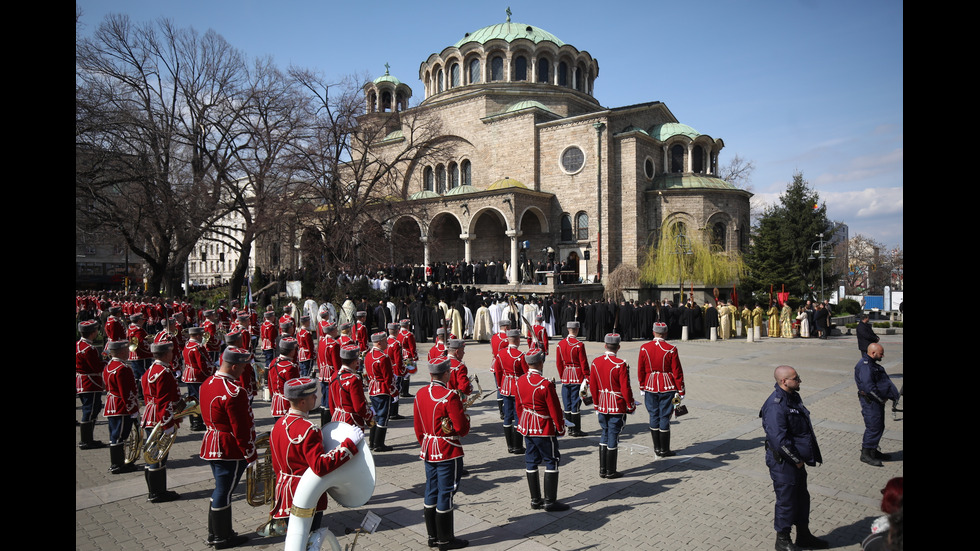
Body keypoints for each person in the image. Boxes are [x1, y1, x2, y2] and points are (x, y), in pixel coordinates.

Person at [264, 377, 363, 537]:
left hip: (284, 491)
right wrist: (349, 444)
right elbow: (320, 466)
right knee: (309, 538)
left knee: (295, 538)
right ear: (302, 402)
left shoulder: (278, 424)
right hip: (305, 492)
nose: (316, 398)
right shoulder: (309, 430)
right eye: (312, 396)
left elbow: (276, 464)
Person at [760, 365, 828, 551]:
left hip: (796, 461)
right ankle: (782, 541)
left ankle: (803, 536)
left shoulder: (792, 397)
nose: (799, 381)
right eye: (796, 378)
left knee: (801, 499)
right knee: (786, 501)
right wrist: (797, 459)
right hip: (784, 462)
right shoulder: (776, 405)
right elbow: (779, 440)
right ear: (784, 381)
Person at [200, 346, 257, 549]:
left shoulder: (207, 383)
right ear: (233, 366)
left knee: (221, 489)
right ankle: (222, 537)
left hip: (211, 442)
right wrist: (250, 454)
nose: (243, 371)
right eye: (242, 367)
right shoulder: (234, 391)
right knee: (224, 491)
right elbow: (241, 428)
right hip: (228, 447)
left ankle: (216, 532)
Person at [414, 357, 470, 550]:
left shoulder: (420, 393)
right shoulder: (449, 396)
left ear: (431, 374)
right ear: (446, 373)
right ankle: (445, 540)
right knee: (446, 493)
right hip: (447, 450)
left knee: (431, 490)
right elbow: (461, 428)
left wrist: (426, 443)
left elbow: (418, 427)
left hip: (428, 448)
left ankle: (432, 536)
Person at [515, 350, 569, 511]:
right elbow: (555, 409)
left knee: (531, 461)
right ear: (540, 363)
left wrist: (523, 423)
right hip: (542, 426)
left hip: (527, 426)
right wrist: (560, 427)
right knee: (551, 460)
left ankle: (535, 500)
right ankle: (550, 502)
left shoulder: (519, 381)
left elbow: (518, 407)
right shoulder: (545, 384)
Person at [589, 333, 635, 479]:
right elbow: (625, 388)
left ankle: (602, 469)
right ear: (618, 347)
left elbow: (593, 386)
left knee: (604, 433)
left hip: (602, 403)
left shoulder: (596, 362)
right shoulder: (620, 364)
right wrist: (631, 405)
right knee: (613, 435)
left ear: (605, 345)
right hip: (616, 404)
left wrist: (596, 404)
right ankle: (610, 471)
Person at [140, 341, 182, 503]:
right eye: (171, 352)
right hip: (159, 417)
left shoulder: (150, 370)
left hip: (150, 414)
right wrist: (168, 425)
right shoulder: (163, 372)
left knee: (153, 454)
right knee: (159, 456)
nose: (172, 354)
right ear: (166, 354)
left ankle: (155, 490)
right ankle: (157, 493)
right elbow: (164, 401)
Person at [637, 322, 685, 458]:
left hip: (650, 384)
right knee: (664, 416)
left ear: (653, 332)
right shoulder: (671, 348)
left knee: (653, 415)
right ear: (666, 333)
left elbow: (640, 369)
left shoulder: (644, 348)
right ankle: (664, 449)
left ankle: (657, 448)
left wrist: (642, 385)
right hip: (667, 385)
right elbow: (677, 371)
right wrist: (681, 390)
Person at [854, 343, 900, 467]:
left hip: (875, 401)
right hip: (871, 402)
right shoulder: (865, 366)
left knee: (879, 426)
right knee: (873, 427)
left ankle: (873, 451)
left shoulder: (871, 364)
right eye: (881, 354)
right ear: (873, 353)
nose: (883, 356)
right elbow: (869, 387)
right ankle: (866, 454)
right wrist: (880, 399)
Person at [104, 339, 140, 474]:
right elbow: (127, 392)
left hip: (112, 404)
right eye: (126, 350)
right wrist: (133, 409)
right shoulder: (122, 368)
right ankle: (118, 464)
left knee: (116, 434)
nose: (128, 352)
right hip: (121, 406)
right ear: (121, 352)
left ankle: (118, 462)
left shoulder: (109, 366)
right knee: (120, 435)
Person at [493, 328, 528, 455]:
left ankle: (510, 446)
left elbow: (498, 371)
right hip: (517, 388)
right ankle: (518, 446)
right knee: (518, 415)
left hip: (505, 386)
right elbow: (525, 374)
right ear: (518, 340)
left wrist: (500, 386)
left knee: (507, 416)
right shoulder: (520, 355)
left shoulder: (500, 354)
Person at [555, 321, 589, 437]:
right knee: (576, 403)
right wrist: (587, 376)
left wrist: (562, 375)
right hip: (577, 375)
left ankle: (569, 427)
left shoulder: (560, 344)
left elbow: (559, 363)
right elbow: (583, 363)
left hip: (566, 375)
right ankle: (575, 429)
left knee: (567, 403)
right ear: (577, 329)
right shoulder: (579, 345)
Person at [77, 320, 106, 450]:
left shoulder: (79, 344)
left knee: (91, 408)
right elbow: (96, 367)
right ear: (92, 333)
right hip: (90, 382)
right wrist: (106, 361)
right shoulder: (89, 349)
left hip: (82, 381)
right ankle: (86, 440)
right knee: (90, 410)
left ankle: (88, 439)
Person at [329, 344, 374, 428]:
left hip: (336, 418)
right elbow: (359, 408)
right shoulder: (354, 379)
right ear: (354, 362)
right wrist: (369, 417)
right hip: (352, 421)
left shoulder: (333, 375)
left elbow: (331, 403)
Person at [365, 332, 394, 452]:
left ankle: (372, 442)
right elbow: (388, 377)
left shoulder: (368, 355)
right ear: (379, 343)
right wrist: (393, 392)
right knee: (383, 416)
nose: (387, 342)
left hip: (372, 388)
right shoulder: (383, 357)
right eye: (384, 340)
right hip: (382, 389)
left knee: (376, 415)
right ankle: (378, 443)